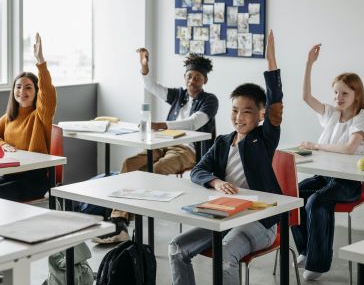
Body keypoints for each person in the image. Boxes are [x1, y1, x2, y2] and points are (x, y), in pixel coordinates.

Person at [168, 30, 282, 285]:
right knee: (177, 247)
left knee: (225, 254)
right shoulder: (222, 142)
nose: (239, 117)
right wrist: (216, 182)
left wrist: (271, 62)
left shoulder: (263, 140)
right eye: (235, 111)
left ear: (260, 116)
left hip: (260, 221)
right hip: (225, 215)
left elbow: (276, 105)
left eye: (247, 112)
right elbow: (198, 170)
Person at [93, 49, 219, 244]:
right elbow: (152, 87)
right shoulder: (178, 95)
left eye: (197, 77)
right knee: (130, 164)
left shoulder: (210, 100)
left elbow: (194, 122)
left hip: (188, 150)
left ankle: (121, 221)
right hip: (162, 143)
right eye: (189, 76)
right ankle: (120, 221)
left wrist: (163, 125)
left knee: (155, 170)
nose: (192, 81)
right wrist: (144, 67)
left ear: (205, 81)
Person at [291, 43, 364, 281]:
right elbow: (306, 97)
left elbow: (349, 149)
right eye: (336, 92)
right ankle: (307, 251)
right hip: (324, 176)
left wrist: (315, 146)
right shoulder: (331, 114)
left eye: (345, 93)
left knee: (317, 202)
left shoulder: (363, 118)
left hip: (348, 182)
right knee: (293, 196)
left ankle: (318, 263)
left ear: (357, 95)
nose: (338, 97)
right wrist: (309, 64)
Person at [0, 33, 57, 202]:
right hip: (10, 176)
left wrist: (41, 62)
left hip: (33, 182)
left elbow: (48, 95)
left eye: (28, 88)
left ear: (36, 92)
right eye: (18, 87)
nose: (22, 92)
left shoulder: (41, 115)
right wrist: (3, 144)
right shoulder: (10, 117)